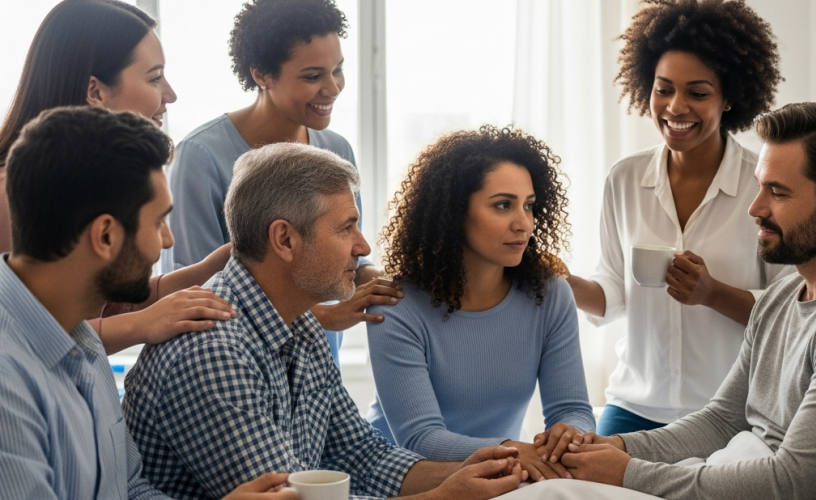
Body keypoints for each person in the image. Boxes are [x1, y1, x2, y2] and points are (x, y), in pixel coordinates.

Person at [533, 99, 816, 500]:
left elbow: (793, 485)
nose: (755, 208)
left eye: (778, 192)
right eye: (758, 187)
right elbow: (722, 420)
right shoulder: (782, 295)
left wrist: (626, 473)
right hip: (737, 469)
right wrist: (611, 449)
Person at [123, 142, 525, 500]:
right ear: (284, 240)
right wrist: (445, 497)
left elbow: (360, 455)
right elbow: (294, 496)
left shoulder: (301, 324)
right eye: (346, 227)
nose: (363, 246)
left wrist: (479, 470)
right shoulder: (211, 349)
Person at [0, 106, 301, 499]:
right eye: (159, 221)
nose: (167, 241)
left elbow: (131, 490)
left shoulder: (83, 344)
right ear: (105, 236)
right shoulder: (8, 379)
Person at [567, 0, 792, 436]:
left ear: (729, 99)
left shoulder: (763, 187)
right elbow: (614, 291)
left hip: (731, 411)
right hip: (634, 406)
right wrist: (565, 283)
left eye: (698, 92)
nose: (675, 107)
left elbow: (790, 312)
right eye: (663, 88)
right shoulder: (625, 179)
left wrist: (712, 293)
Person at [162, 0, 397, 361]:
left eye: (338, 70)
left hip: (316, 367)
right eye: (312, 76)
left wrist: (387, 283)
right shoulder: (201, 156)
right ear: (261, 74)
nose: (332, 88)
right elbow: (197, 294)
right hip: (236, 366)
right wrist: (324, 315)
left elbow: (346, 254)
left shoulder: (336, 150)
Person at [0, 0, 235, 354]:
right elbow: (30, 335)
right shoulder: (9, 196)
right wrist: (144, 323)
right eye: (155, 78)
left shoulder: (84, 183)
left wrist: (210, 268)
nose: (170, 94)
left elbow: (106, 303)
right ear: (95, 91)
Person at [368, 126, 595, 479]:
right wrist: (515, 449)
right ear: (454, 213)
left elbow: (573, 408)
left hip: (500, 473)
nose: (524, 223)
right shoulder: (396, 305)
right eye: (503, 205)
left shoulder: (550, 294)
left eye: (529, 206)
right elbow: (421, 438)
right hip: (408, 481)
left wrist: (570, 433)